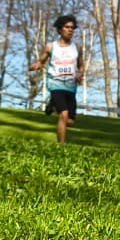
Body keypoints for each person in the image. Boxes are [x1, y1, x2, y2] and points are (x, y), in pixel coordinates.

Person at [30, 14, 84, 144]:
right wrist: (36, 65)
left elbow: (81, 65)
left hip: (70, 86)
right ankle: (61, 146)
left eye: (72, 28)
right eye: (67, 27)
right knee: (63, 115)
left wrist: (79, 74)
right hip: (55, 84)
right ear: (60, 29)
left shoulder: (77, 47)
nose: (70, 30)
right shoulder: (51, 46)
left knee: (70, 121)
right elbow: (41, 61)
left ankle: (53, 104)